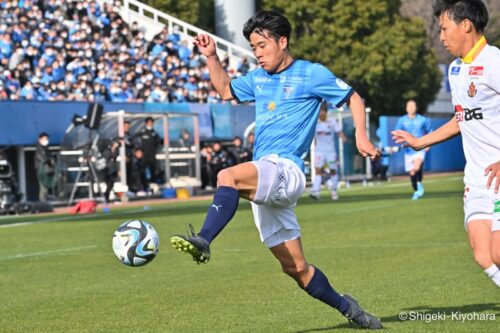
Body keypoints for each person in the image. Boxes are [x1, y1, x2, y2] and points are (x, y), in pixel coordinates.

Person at [169, 11, 382, 329]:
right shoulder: (257, 79)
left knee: (227, 176)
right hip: (266, 182)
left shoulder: (311, 74)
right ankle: (349, 309)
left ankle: (203, 239)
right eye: (253, 47)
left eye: (262, 45)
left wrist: (361, 134)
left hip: (287, 169)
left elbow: (353, 98)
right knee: (297, 269)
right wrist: (212, 56)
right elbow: (225, 90)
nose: (257, 53)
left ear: (282, 41)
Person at [392, 0, 500, 287]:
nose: (441, 36)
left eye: (444, 28)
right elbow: (460, 119)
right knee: (482, 255)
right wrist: (419, 142)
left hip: (499, 175)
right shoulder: (455, 71)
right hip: (476, 180)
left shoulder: (494, 62)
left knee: (498, 252)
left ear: (466, 25)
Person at [394, 100, 432, 200]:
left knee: (416, 167)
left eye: (413, 105)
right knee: (411, 172)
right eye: (409, 106)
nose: (411, 108)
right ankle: (416, 191)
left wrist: (429, 143)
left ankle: (419, 183)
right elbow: (397, 131)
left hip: (420, 148)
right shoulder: (402, 120)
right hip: (408, 151)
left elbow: (430, 131)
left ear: (416, 107)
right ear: (406, 108)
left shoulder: (423, 119)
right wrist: (398, 138)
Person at [310, 103, 347, 200]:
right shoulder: (315, 122)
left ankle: (334, 191)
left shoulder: (332, 121)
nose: (321, 114)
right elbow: (312, 136)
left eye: (323, 112)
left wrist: (343, 138)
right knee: (318, 170)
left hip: (331, 152)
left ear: (326, 112)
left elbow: (339, 131)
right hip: (319, 151)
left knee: (333, 171)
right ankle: (316, 192)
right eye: (319, 112)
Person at [137, 117, 162, 186]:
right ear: (146, 123)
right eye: (149, 122)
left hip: (152, 155)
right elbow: (137, 142)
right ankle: (143, 185)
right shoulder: (142, 132)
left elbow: (159, 143)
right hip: (143, 155)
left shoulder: (155, 133)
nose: (150, 124)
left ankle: (153, 184)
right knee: (142, 170)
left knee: (153, 169)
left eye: (151, 122)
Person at [35, 132, 56, 202]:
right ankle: (43, 203)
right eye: (44, 139)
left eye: (47, 139)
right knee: (43, 188)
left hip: (47, 171)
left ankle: (45, 202)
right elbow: (43, 159)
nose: (46, 140)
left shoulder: (46, 149)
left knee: (46, 188)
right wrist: (50, 160)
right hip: (42, 172)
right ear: (39, 139)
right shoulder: (39, 149)